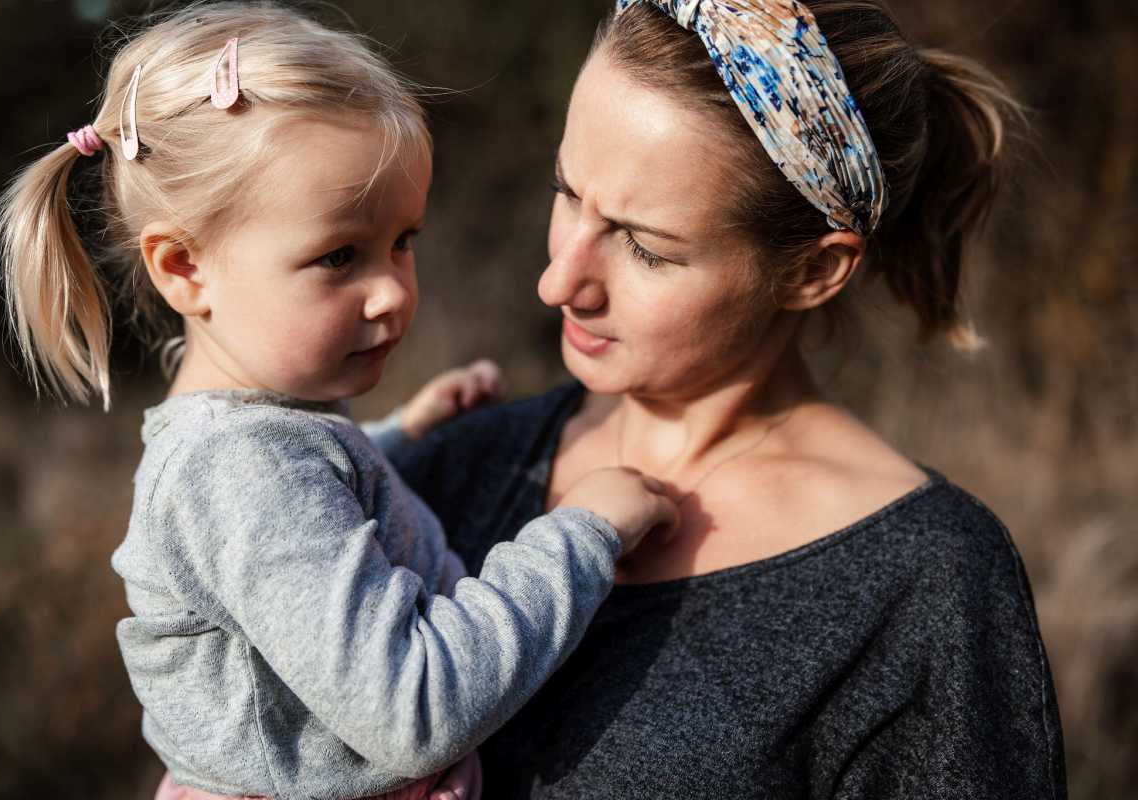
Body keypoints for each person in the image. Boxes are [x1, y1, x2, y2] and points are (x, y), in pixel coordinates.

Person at [0, 3, 681, 799]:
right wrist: (581, 535)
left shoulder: (254, 439)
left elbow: (304, 515)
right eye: (338, 255)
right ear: (184, 269)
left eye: (403, 241)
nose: (390, 291)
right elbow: (415, 713)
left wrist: (393, 441)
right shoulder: (239, 473)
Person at [381, 0, 1067, 796]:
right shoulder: (459, 465)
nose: (558, 281)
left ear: (815, 271)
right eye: (567, 193)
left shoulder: (927, 583)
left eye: (645, 247)